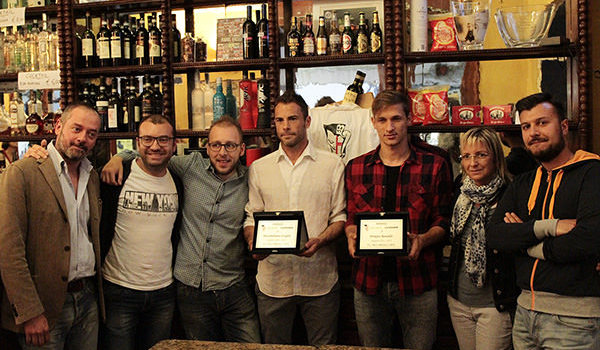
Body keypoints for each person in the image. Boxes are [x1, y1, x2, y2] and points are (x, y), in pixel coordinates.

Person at [101, 116, 260, 343]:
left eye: (231, 145)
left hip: (234, 285)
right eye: (216, 145)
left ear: (242, 148)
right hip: (189, 288)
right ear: (207, 147)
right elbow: (153, 154)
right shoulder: (189, 167)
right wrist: (119, 156)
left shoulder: (251, 179)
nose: (223, 152)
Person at [487, 92, 600, 349]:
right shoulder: (524, 182)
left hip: (576, 320)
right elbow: (494, 235)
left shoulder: (592, 173)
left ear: (563, 127)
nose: (533, 132)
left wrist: (524, 243)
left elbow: (587, 241)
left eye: (542, 122)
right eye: (526, 126)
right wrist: (547, 227)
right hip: (524, 313)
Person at [345, 90, 453, 350]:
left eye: (396, 119)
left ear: (409, 119)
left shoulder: (434, 164)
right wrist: (350, 235)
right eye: (382, 120)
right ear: (373, 122)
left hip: (419, 282)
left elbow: (444, 220)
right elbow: (351, 217)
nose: (389, 127)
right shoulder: (356, 167)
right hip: (368, 282)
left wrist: (423, 240)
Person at [243, 90, 346, 345]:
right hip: (273, 282)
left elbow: (340, 217)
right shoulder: (259, 168)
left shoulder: (332, 165)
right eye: (280, 120)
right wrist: (253, 242)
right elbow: (251, 217)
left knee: (325, 346)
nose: (286, 126)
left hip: (319, 280)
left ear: (307, 121)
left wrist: (320, 241)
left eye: (292, 119)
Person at [0, 104, 104, 350]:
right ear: (58, 126)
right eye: (76, 129)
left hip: (88, 300)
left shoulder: (93, 177)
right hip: (43, 307)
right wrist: (29, 312)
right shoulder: (23, 172)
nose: (82, 139)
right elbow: (8, 249)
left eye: (91, 134)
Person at [98, 115, 183, 349]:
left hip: (163, 292)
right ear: (137, 142)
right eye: (148, 139)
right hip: (119, 290)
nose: (155, 146)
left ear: (174, 144)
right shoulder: (115, 175)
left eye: (163, 139)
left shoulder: (178, 180)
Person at [447, 128, 517, 350]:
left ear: (496, 157)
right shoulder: (460, 191)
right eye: (466, 156)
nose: (472, 163)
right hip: (458, 301)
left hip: (494, 305)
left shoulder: (512, 194)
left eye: (481, 155)